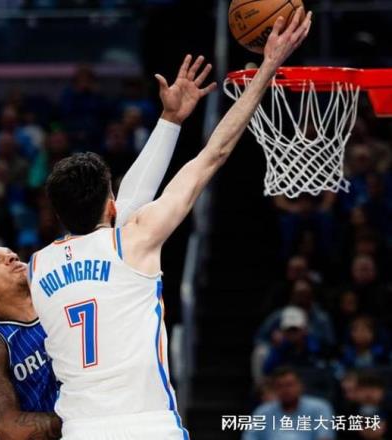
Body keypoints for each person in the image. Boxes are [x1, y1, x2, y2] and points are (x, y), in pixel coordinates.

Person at [28, 10, 311, 440]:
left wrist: (170, 122)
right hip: (148, 425)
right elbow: (213, 155)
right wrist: (267, 68)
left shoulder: (37, 267)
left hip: (79, 429)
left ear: (57, 214)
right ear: (111, 205)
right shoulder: (134, 240)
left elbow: (129, 199)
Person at [0, 54, 216, 440]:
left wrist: (169, 122)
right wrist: (88, 419)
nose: (11, 256)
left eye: (9, 252)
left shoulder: (55, 282)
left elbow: (125, 205)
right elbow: (8, 427)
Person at [243, 367, 335, 440]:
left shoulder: (320, 407)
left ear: (300, 386)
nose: (285, 390)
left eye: (289, 385)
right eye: (280, 386)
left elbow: (325, 437)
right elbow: (249, 437)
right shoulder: (263, 411)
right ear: (274, 389)